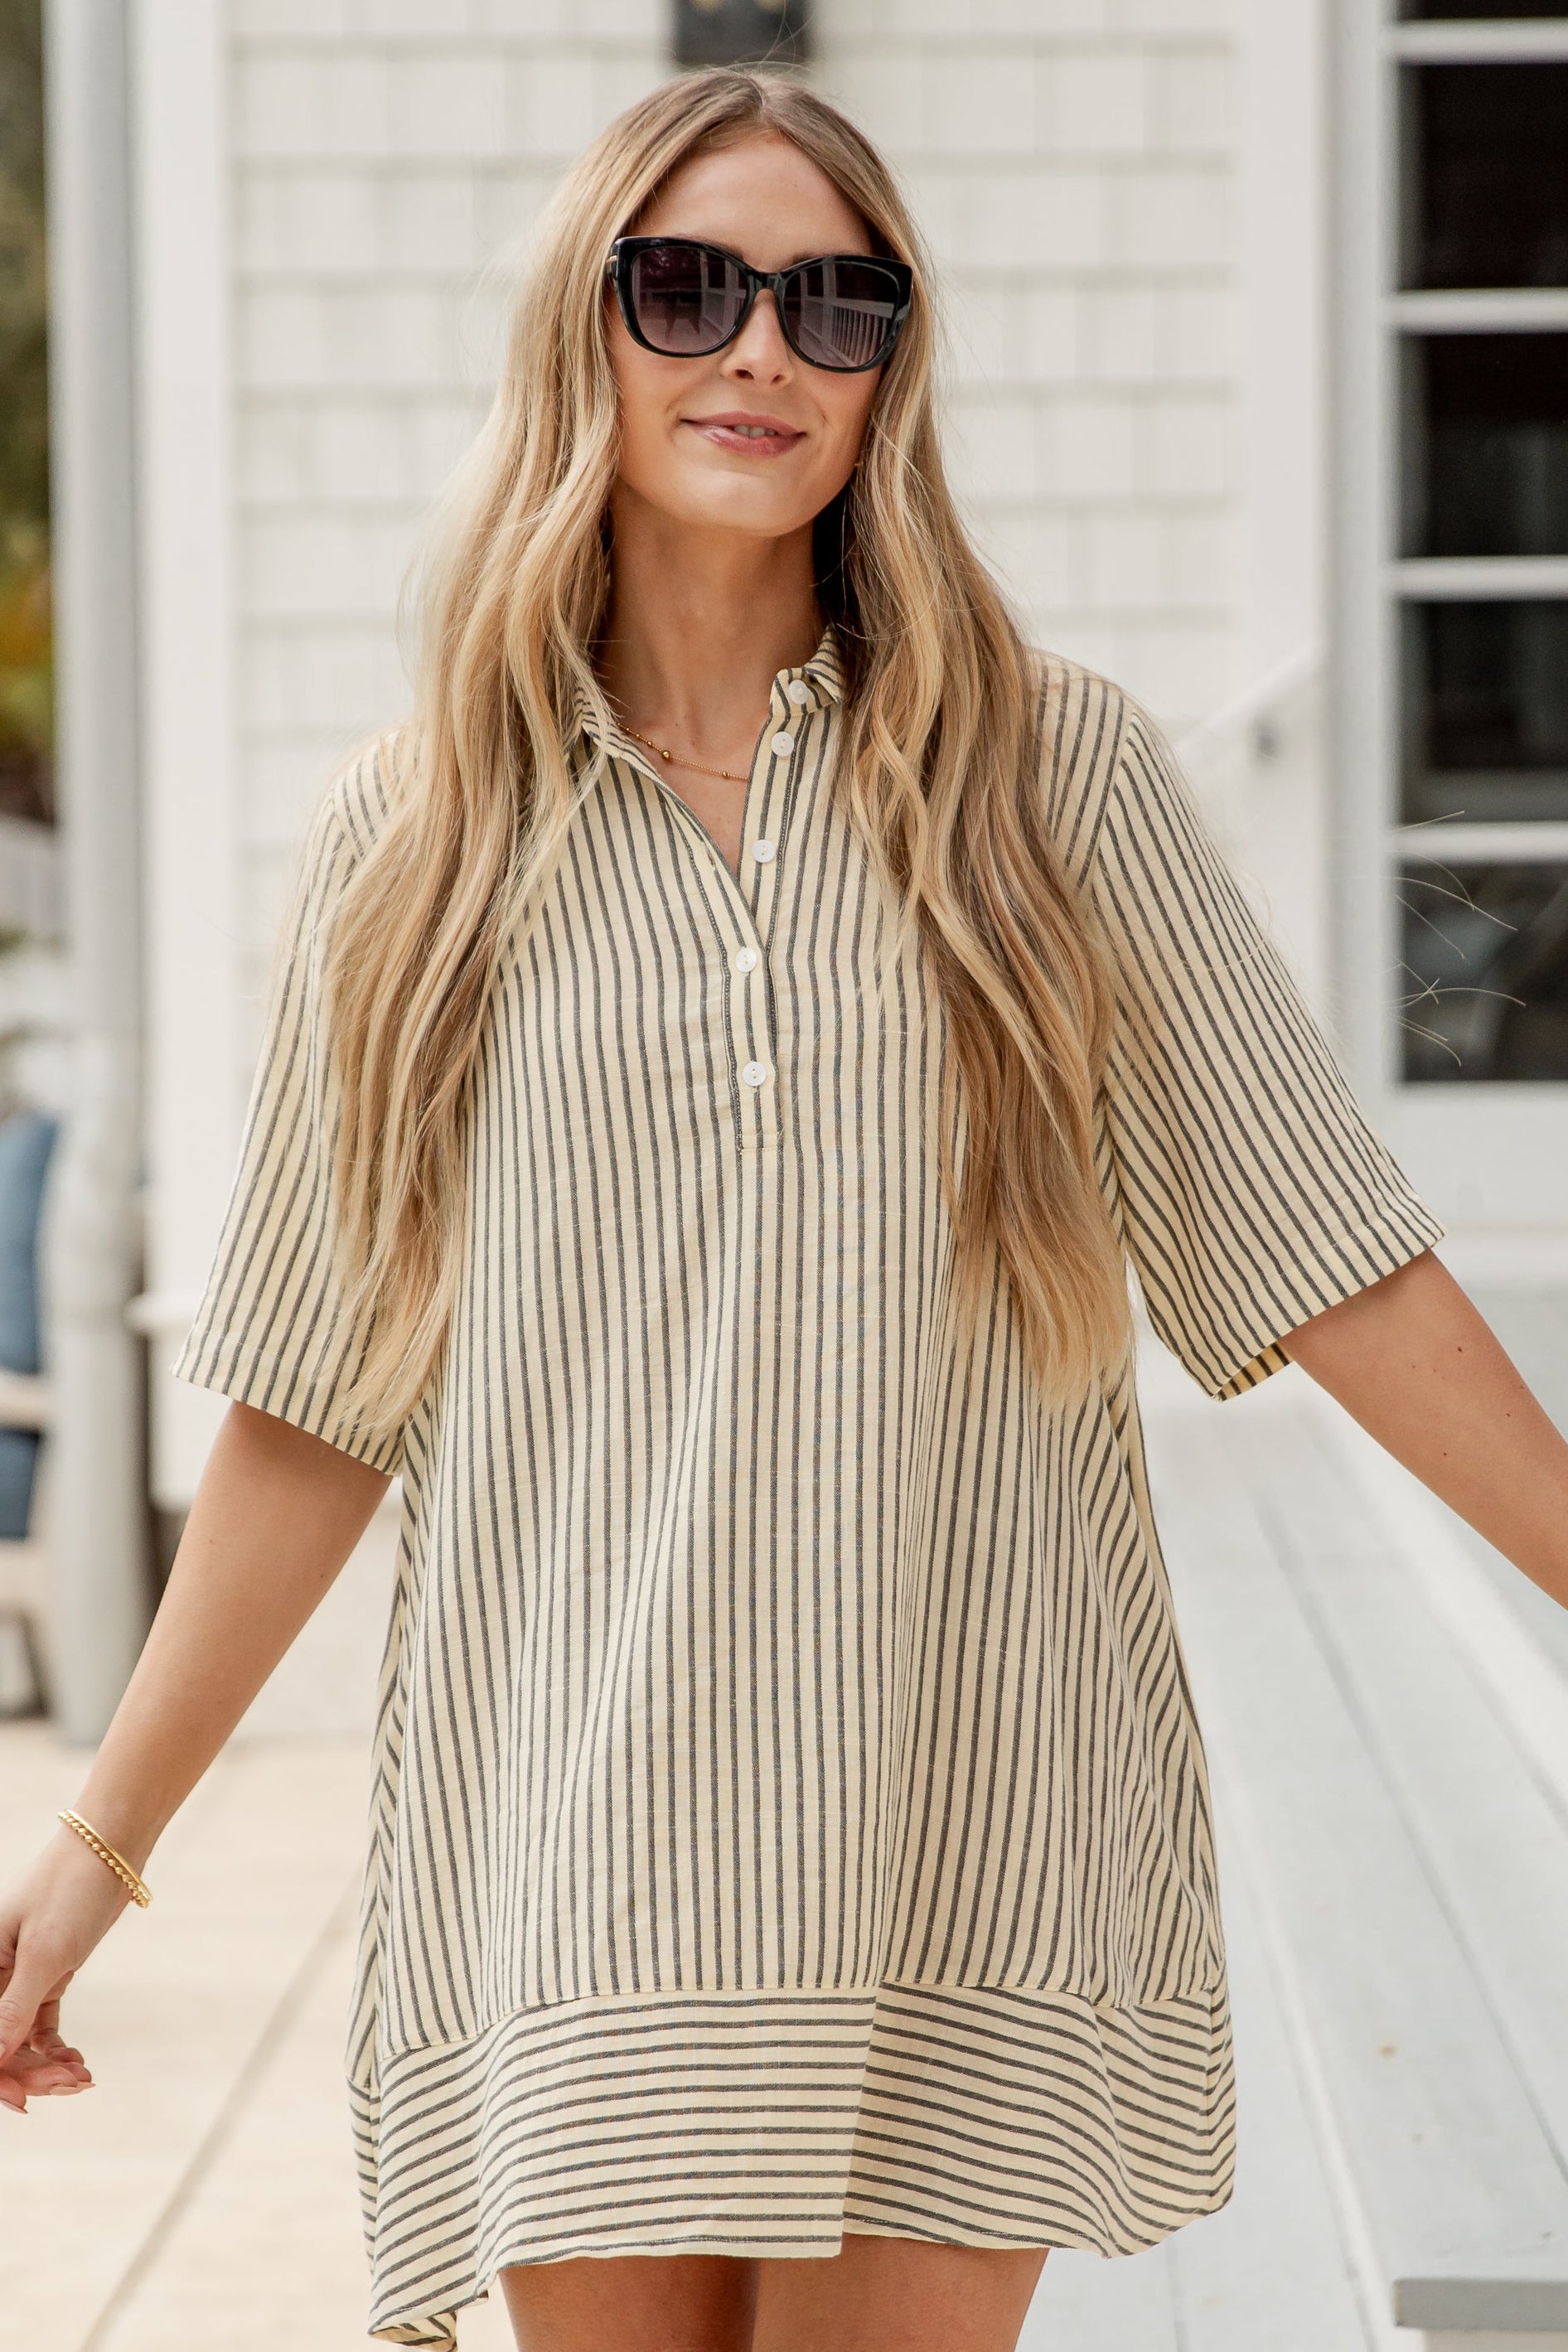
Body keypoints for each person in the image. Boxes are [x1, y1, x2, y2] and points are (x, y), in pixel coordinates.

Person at [3, 65, 1566, 2352]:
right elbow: (316, 1402)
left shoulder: (1054, 787)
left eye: (836, 304)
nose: (760, 350)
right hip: (578, 1847)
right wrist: (95, 1850)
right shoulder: (417, 838)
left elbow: (1335, 1262)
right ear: (585, 327)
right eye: (690, 287)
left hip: (965, 1811)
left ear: (887, 374)